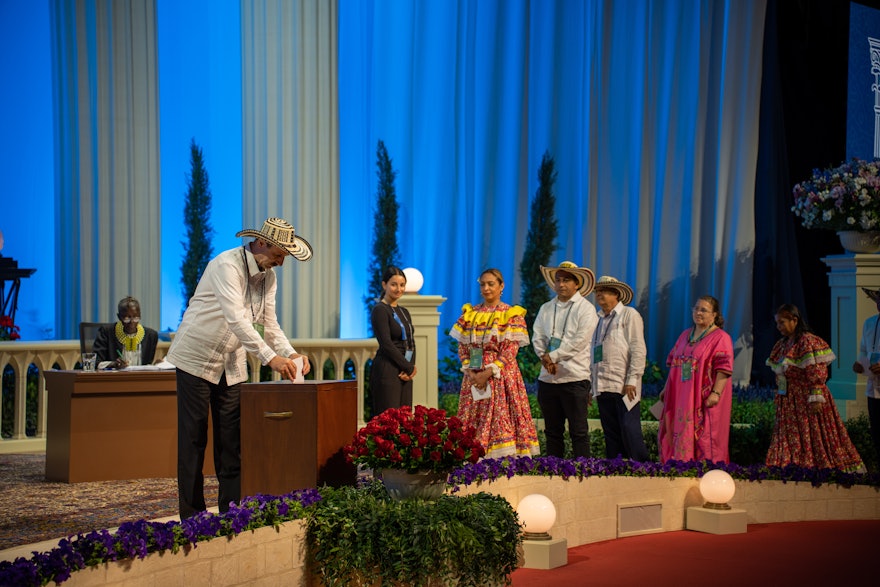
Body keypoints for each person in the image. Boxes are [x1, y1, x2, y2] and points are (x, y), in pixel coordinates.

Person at [166, 217, 313, 519]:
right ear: (263, 243)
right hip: (196, 358)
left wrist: (290, 352)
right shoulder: (227, 265)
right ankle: (192, 517)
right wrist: (271, 359)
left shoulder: (269, 278)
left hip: (231, 364)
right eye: (279, 255)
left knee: (232, 441)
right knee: (194, 438)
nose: (281, 263)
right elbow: (237, 320)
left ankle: (232, 512)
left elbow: (269, 324)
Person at [451, 268, 539, 457]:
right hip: (473, 376)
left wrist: (489, 372)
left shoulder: (510, 314)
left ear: (501, 286)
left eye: (491, 284)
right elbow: (463, 346)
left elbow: (510, 349)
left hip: (500, 375)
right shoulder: (471, 313)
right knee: (473, 418)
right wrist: (471, 372)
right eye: (483, 284)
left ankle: (503, 461)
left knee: (501, 415)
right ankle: (473, 460)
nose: (486, 288)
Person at [767, 303, 863, 471]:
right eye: (777, 323)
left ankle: (821, 470)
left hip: (807, 399)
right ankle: (793, 469)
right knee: (793, 436)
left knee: (815, 434)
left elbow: (816, 371)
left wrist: (816, 396)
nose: (778, 327)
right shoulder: (782, 344)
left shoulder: (808, 341)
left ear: (794, 320)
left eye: (782, 322)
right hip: (790, 400)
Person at [532, 261, 598, 458]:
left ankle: (583, 477)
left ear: (577, 284)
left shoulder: (586, 309)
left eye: (566, 280)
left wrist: (552, 356)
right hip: (548, 379)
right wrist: (544, 358)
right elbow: (537, 336)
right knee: (552, 432)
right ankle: (554, 474)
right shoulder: (546, 308)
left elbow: (579, 341)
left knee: (578, 431)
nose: (561, 284)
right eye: (558, 280)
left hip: (574, 378)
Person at [658, 295, 733, 463]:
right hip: (681, 394)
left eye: (704, 310)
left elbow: (724, 368)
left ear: (714, 315)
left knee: (705, 432)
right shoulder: (685, 334)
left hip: (702, 395)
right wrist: (666, 387)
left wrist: (716, 393)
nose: (698, 312)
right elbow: (674, 363)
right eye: (696, 308)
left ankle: (703, 468)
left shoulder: (721, 337)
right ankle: (679, 463)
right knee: (678, 427)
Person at [591, 276, 649, 461]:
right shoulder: (599, 319)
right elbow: (594, 355)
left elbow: (638, 348)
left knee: (629, 430)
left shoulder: (629, 314)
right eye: (598, 290)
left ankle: (642, 470)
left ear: (616, 294)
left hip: (623, 385)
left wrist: (632, 379)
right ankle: (616, 473)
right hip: (603, 385)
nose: (599, 294)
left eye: (605, 290)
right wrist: (592, 386)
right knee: (611, 434)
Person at [370, 266, 417, 416]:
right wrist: (408, 367)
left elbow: (410, 342)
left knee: (405, 421)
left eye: (402, 285)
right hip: (387, 370)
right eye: (394, 284)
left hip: (404, 371)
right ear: (384, 285)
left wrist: (409, 368)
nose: (398, 289)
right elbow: (386, 344)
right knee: (389, 422)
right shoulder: (380, 310)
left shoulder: (404, 311)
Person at [853, 287, 880, 462]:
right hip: (874, 388)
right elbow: (864, 349)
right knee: (877, 433)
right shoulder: (870, 323)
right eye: (878, 299)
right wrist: (859, 364)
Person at [93, 296, 159, 368]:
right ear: (119, 317)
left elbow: (147, 364)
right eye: (127, 318)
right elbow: (96, 363)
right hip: (115, 377)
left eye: (136, 317)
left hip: (140, 377)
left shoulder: (151, 335)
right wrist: (113, 364)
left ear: (140, 315)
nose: (132, 322)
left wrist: (156, 365)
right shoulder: (106, 332)